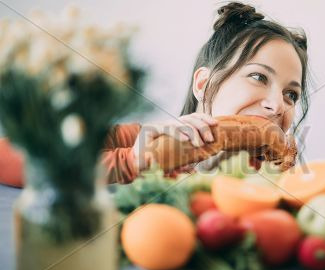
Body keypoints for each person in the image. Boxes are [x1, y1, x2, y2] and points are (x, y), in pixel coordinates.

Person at [0, 1, 309, 188]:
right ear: (202, 84)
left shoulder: (275, 173)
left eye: (291, 94)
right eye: (258, 77)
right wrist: (131, 162)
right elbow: (13, 156)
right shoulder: (143, 142)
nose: (276, 104)